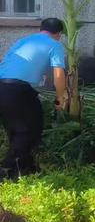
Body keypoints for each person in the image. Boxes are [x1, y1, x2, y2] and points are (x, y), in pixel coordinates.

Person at [0, 18, 66, 180]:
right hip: (17, 89)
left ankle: (25, 167)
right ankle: (7, 170)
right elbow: (59, 75)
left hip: (3, 86)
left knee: (16, 129)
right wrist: (61, 97)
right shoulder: (55, 44)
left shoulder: (24, 41)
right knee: (30, 128)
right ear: (59, 34)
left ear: (41, 29)